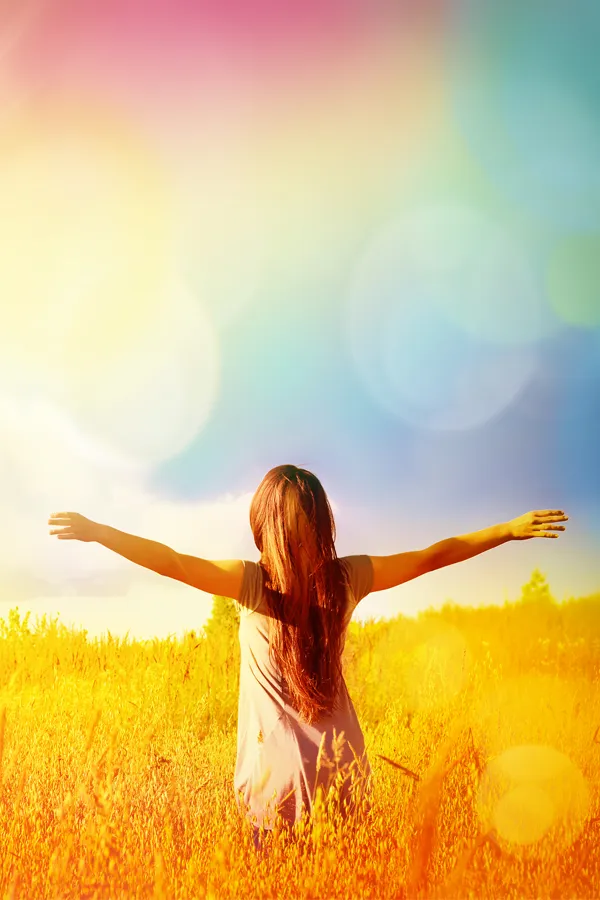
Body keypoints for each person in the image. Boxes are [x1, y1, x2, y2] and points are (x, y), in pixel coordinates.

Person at [47, 469, 568, 855]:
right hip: (311, 790)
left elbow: (433, 555)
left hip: (306, 795)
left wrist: (507, 529)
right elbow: (175, 562)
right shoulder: (274, 583)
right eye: (299, 531)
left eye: (310, 530)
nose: (304, 544)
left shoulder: (318, 581)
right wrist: (100, 532)